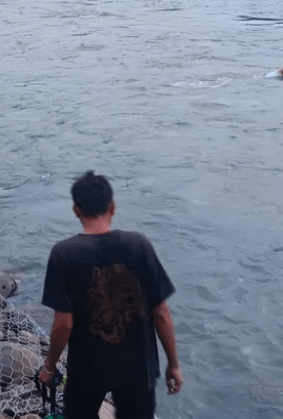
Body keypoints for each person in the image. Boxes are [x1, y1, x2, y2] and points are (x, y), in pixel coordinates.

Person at [38, 171, 182, 419]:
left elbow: (63, 322)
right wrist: (174, 364)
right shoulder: (139, 245)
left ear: (76, 210)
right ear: (112, 207)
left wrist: (50, 368)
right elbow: (161, 312)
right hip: (137, 368)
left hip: (87, 369)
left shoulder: (64, 254)